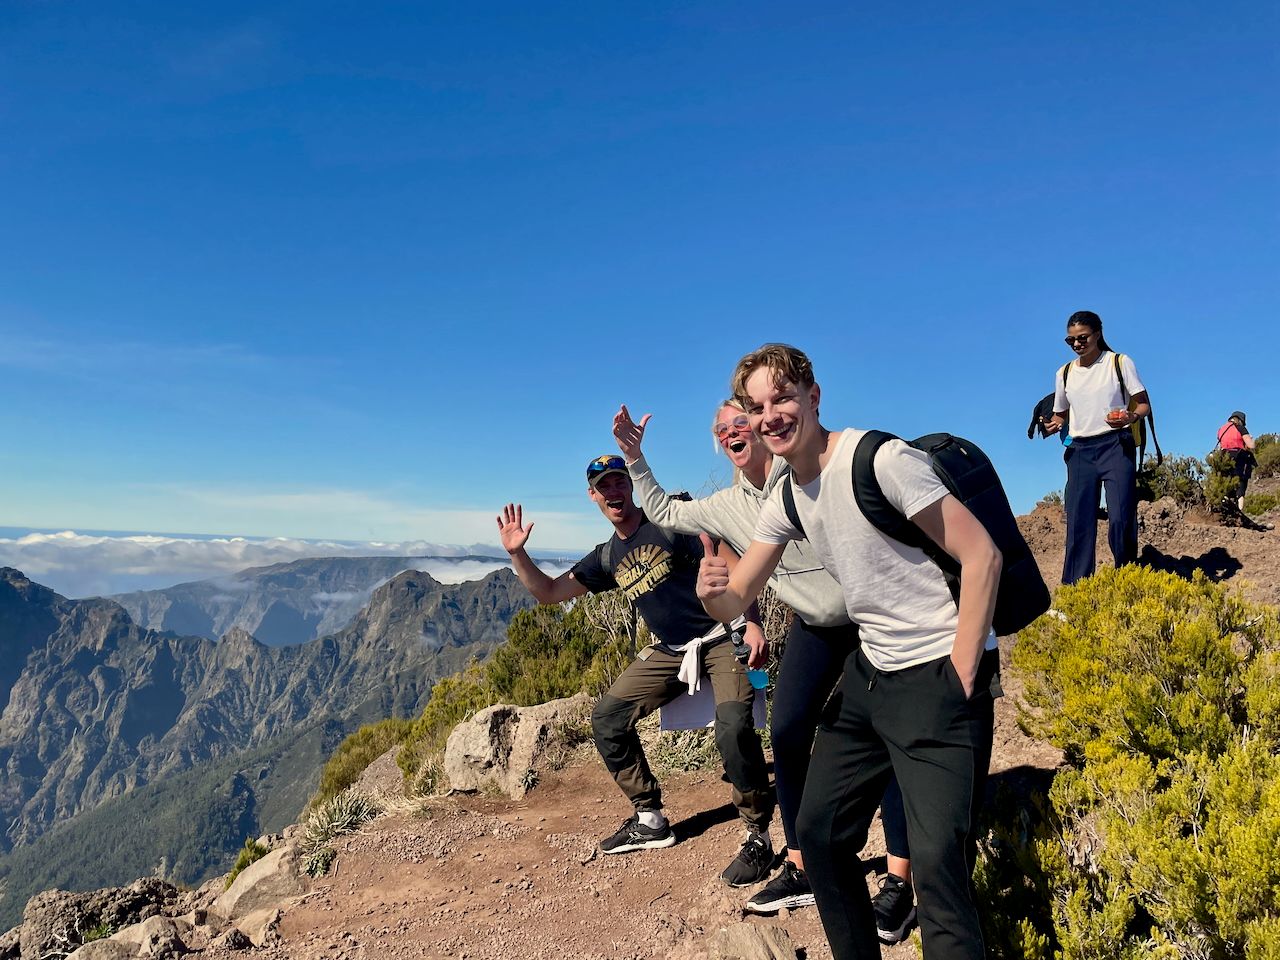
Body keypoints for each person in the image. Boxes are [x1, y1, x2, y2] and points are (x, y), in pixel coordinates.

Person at [696, 344, 1001, 960]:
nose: (770, 416)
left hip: (938, 670)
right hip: (872, 672)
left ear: (813, 396)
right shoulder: (786, 496)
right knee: (820, 832)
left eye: (782, 397)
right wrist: (715, 598)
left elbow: (982, 555)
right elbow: (742, 593)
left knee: (940, 871)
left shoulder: (878, 459)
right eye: (757, 408)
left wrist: (962, 670)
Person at [613, 402, 917, 938]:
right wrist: (635, 459)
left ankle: (898, 882)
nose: (734, 432)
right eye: (722, 429)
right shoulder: (729, 505)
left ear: (757, 428)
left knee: (886, 734)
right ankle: (799, 866)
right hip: (815, 624)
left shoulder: (795, 473)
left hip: (868, 615)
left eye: (741, 422)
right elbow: (664, 512)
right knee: (787, 730)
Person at [495, 454, 776, 885]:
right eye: (603, 486)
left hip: (722, 635)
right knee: (607, 717)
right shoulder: (607, 556)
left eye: (618, 482)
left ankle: (759, 834)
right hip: (670, 650)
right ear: (593, 496)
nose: (613, 492)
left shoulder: (669, 522)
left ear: (630, 486)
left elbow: (731, 565)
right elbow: (550, 593)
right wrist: (519, 554)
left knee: (733, 725)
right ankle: (649, 819)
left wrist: (752, 621)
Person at [1041, 310, 1151, 585]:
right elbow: (1060, 415)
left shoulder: (1119, 362)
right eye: (1071, 340)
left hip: (1116, 444)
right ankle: (1076, 590)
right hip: (1080, 451)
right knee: (1079, 523)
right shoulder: (1064, 373)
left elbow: (1143, 404)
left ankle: (1128, 579)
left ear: (1098, 334)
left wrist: (1131, 416)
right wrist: (1051, 425)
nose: (1077, 344)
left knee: (1121, 517)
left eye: (1082, 338)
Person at [1216, 411, 1257, 513]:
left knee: (1226, 485)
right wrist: (1251, 440)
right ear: (1241, 420)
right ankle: (1240, 511)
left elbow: (1222, 445)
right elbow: (1251, 446)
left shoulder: (1221, 429)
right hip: (1239, 457)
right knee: (1241, 484)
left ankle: (1224, 509)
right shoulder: (1240, 428)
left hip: (1223, 457)